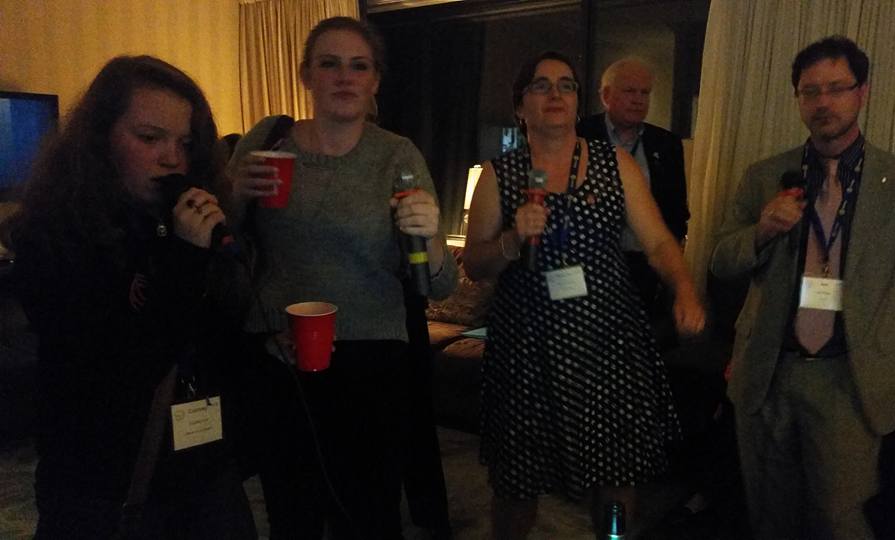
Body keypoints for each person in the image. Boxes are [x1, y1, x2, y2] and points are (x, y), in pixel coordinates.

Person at [3, 55, 257, 539]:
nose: (172, 158)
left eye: (184, 142)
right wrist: (184, 261)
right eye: (149, 138)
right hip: (104, 481)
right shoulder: (53, 236)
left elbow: (216, 343)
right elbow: (120, 365)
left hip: (204, 470)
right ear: (100, 139)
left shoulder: (179, 218)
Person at [226, 16, 458, 539]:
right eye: (329, 64)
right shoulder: (270, 139)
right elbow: (225, 241)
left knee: (370, 512)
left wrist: (432, 239)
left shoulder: (396, 155)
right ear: (306, 75)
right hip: (280, 352)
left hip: (372, 358)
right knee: (292, 512)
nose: (345, 77)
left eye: (359, 66)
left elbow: (440, 286)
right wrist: (234, 193)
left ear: (375, 80)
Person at [462, 50, 705, 539]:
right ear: (520, 106)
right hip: (527, 350)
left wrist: (684, 289)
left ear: (578, 101)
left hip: (607, 344)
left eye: (566, 85)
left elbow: (659, 242)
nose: (555, 94)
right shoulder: (497, 174)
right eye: (541, 85)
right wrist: (512, 239)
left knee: (615, 475)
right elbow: (475, 265)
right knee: (517, 482)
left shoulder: (616, 165)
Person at [710, 35, 895, 539]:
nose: (823, 102)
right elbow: (721, 261)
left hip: (850, 376)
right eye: (810, 91)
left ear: (863, 92)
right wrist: (762, 230)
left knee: (840, 520)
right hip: (769, 370)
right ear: (797, 98)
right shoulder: (765, 176)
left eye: (837, 88)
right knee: (769, 516)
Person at [577, 57, 689, 312]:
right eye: (630, 91)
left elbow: (677, 211)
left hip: (645, 269)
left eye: (644, 93)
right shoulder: (580, 135)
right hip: (588, 266)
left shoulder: (666, 144)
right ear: (606, 95)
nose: (638, 100)